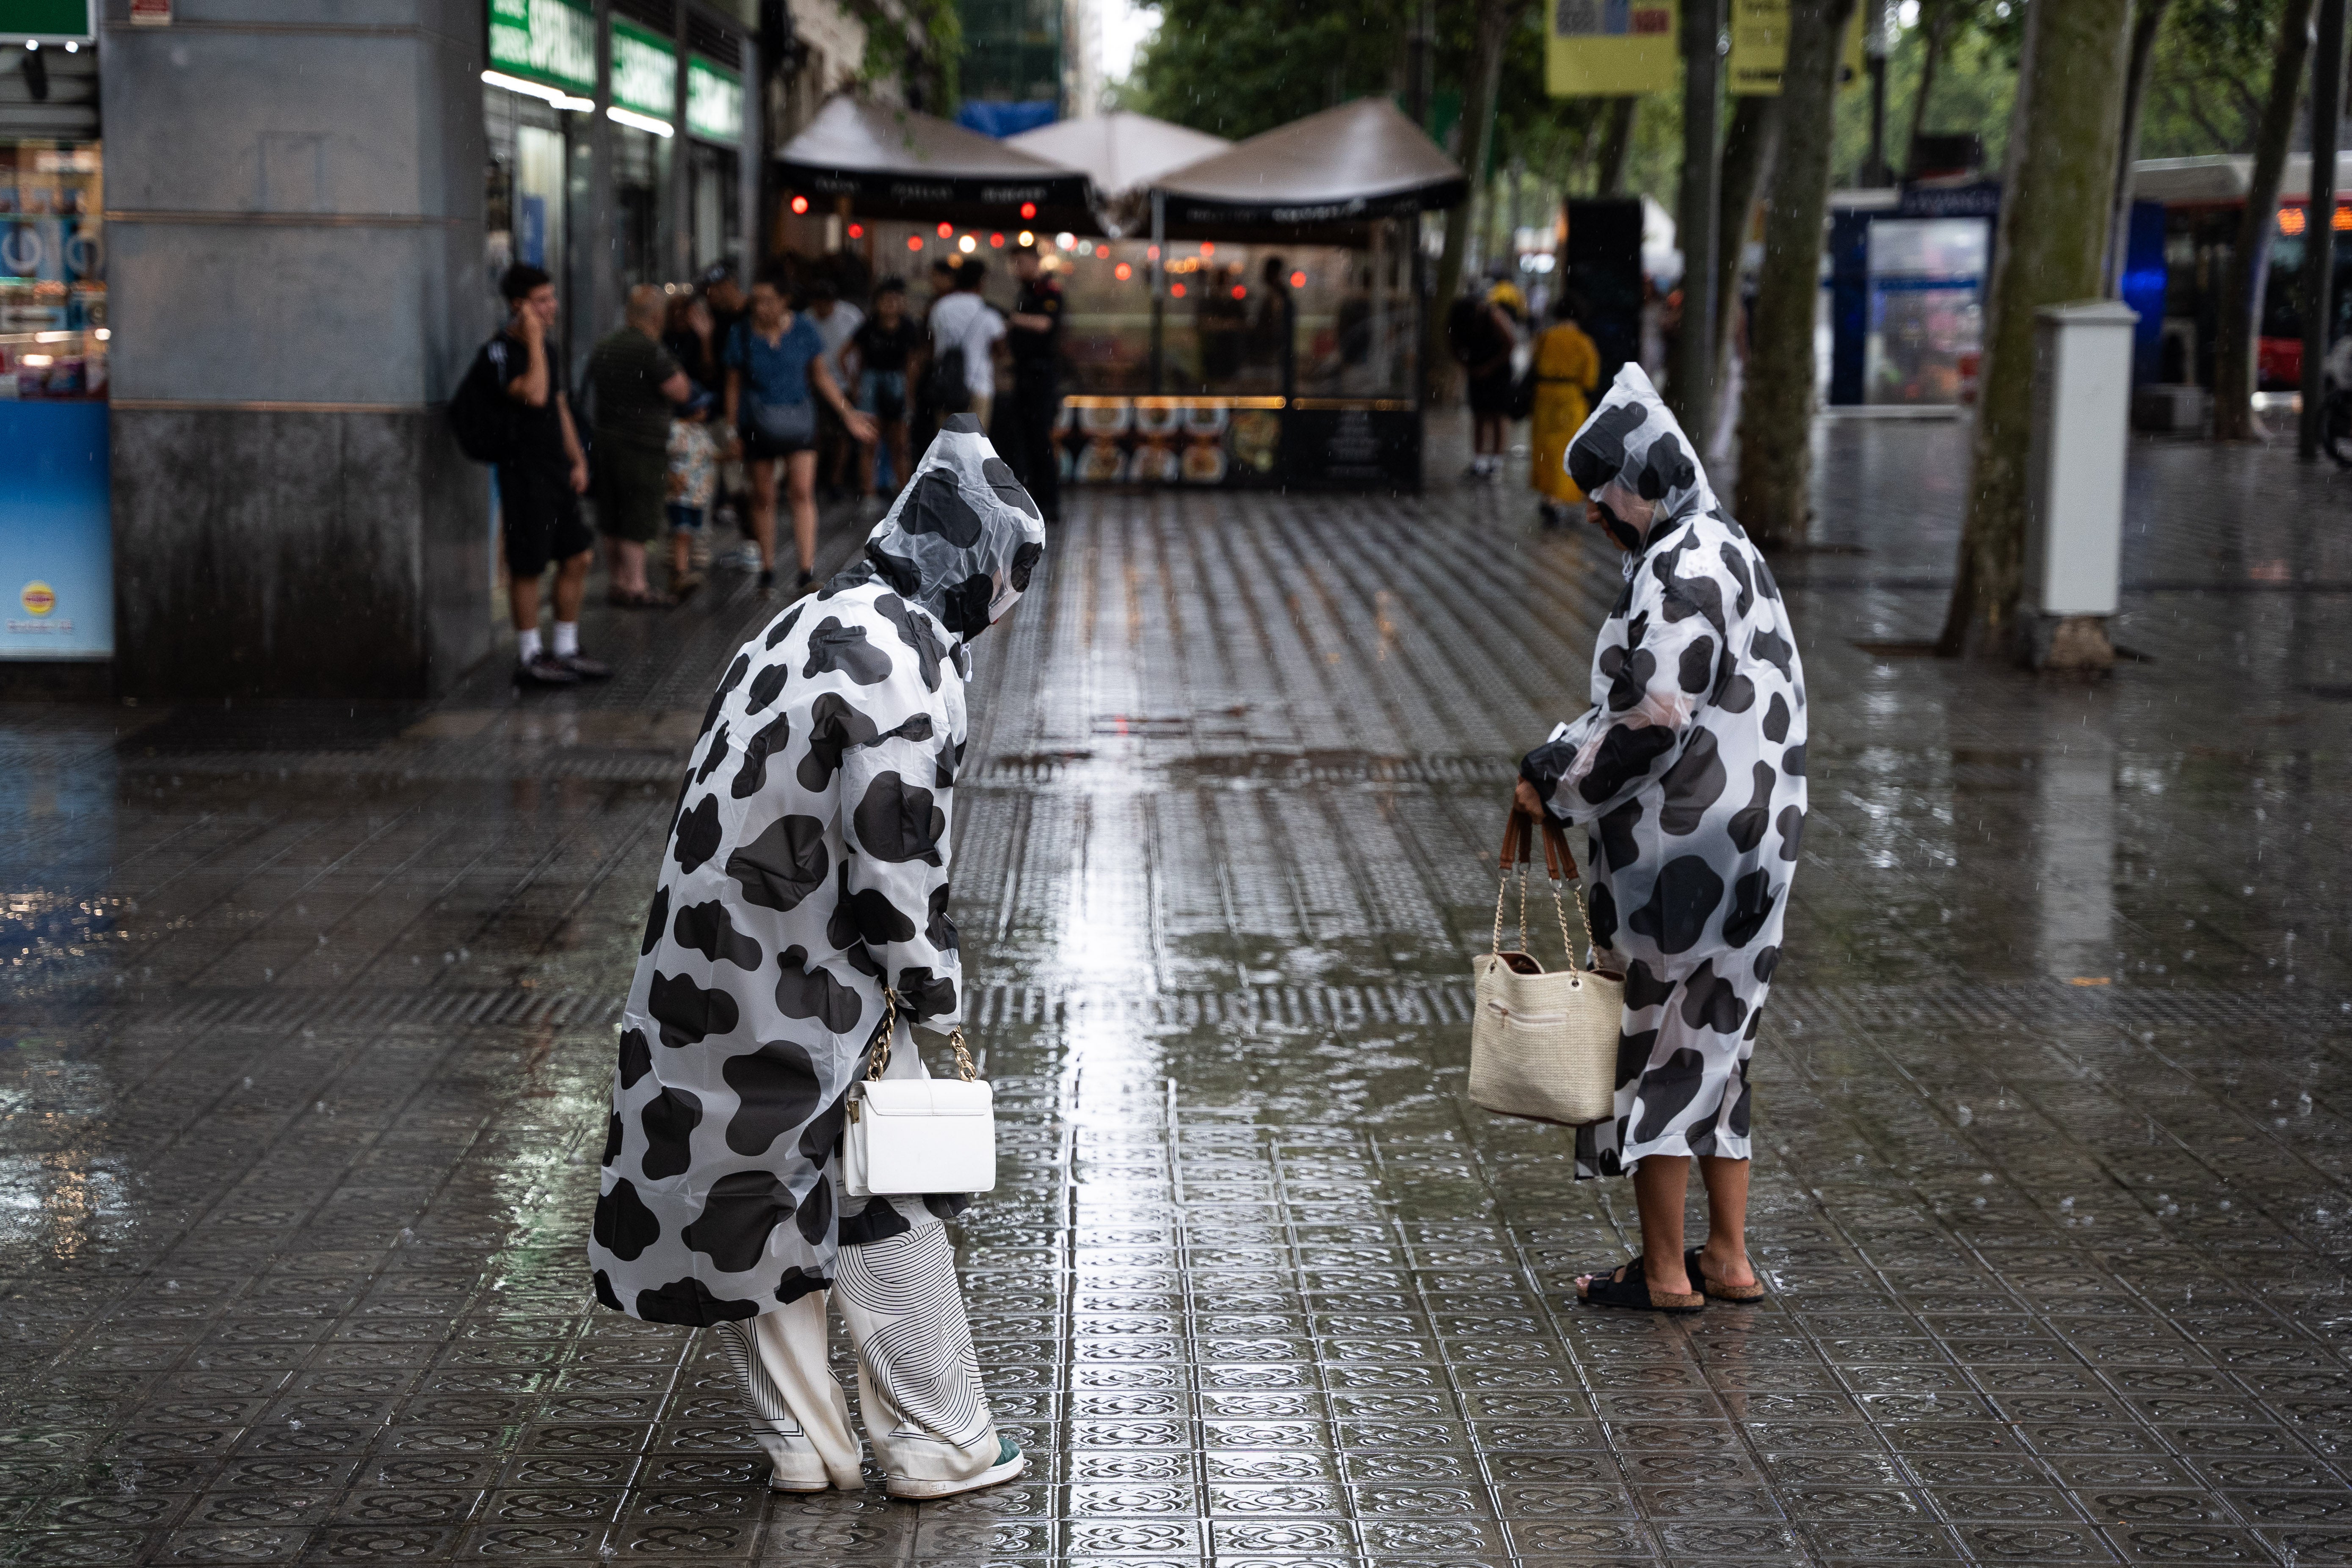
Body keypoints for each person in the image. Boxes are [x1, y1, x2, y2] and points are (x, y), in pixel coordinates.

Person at [589, 412, 1047, 1500]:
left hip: (702, 962)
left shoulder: (807, 620)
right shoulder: (909, 660)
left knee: (758, 1197)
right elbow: (893, 856)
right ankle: (941, 1441)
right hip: (811, 980)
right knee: (888, 1193)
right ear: (977, 564)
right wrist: (936, 996)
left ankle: (804, 1442)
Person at [1513, 364, 1805, 1314]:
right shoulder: (1728, 548)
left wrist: (1555, 778)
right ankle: (1727, 1256)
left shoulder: (1677, 569)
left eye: (1603, 502)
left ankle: (1668, 1271)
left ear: (1640, 483)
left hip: (1684, 853)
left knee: (1655, 1048)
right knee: (1720, 1043)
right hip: (1756, 848)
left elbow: (1653, 717)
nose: (1598, 521)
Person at [486, 263, 610, 687]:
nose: (552, 307)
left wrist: (578, 460)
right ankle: (530, 654)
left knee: (578, 555)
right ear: (519, 306)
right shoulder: (500, 353)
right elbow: (535, 394)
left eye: (552, 298)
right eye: (542, 301)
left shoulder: (550, 352)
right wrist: (534, 340)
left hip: (555, 469)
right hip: (522, 472)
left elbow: (557, 405)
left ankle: (565, 646)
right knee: (528, 564)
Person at [723, 271, 877, 597]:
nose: (760, 307)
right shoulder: (741, 332)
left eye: (768, 300)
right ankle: (767, 570)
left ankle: (806, 571)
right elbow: (733, 385)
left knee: (802, 492)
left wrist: (847, 413)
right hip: (758, 421)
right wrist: (732, 429)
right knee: (763, 494)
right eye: (757, 300)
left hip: (799, 419)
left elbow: (821, 377)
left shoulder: (804, 330)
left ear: (784, 301)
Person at [591, 284, 697, 607]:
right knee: (638, 515)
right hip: (642, 445)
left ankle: (618, 582)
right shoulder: (650, 349)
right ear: (656, 316)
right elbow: (681, 391)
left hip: (605, 441)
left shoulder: (605, 346)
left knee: (612, 517)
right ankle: (637, 586)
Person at [844, 277, 921, 507]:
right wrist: (855, 384)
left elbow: (912, 364)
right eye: (886, 300)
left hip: (897, 384)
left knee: (900, 444)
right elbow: (844, 355)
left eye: (895, 300)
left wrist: (910, 393)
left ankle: (904, 494)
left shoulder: (908, 328)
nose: (890, 305)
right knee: (870, 442)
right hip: (871, 383)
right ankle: (868, 492)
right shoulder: (868, 327)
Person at [1527, 292, 1601, 526]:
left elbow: (1535, 365)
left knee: (1544, 449)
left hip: (1544, 398)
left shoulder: (1545, 338)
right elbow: (1590, 380)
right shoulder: (1584, 343)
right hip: (1571, 400)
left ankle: (1546, 495)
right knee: (1565, 451)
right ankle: (1556, 501)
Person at [1002, 241, 1063, 523]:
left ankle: (1048, 502)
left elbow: (1045, 324)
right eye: (1015, 264)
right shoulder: (1022, 293)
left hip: (1042, 376)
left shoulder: (1048, 292)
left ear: (1035, 262)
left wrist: (1013, 319)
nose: (1018, 269)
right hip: (1024, 375)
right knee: (1022, 439)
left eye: (1022, 263)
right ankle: (1030, 502)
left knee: (1041, 440)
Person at [926, 259, 1006, 431]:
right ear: (981, 282)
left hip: (944, 386)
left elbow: (930, 346)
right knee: (976, 449)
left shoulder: (940, 308)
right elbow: (1001, 350)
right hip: (979, 386)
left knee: (946, 446)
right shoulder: (988, 312)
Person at [803, 279, 865, 500]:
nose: (823, 309)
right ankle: (814, 480)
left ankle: (836, 480)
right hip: (814, 385)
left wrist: (856, 382)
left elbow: (860, 350)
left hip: (843, 383)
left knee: (842, 435)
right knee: (816, 435)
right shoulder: (806, 319)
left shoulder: (850, 316)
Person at [1461, 284, 1518, 483]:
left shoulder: (1494, 317)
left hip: (1498, 372)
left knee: (1496, 415)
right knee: (1480, 415)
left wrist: (1490, 367)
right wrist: (1470, 367)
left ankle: (1496, 462)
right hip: (1479, 370)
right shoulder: (1464, 320)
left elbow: (1511, 343)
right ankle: (1480, 460)